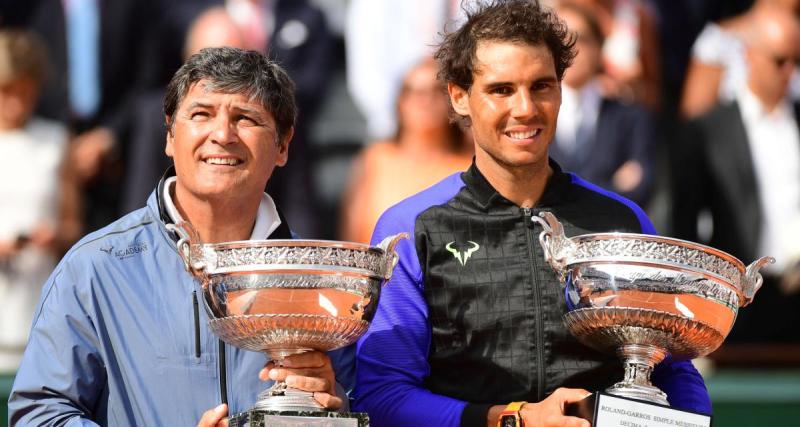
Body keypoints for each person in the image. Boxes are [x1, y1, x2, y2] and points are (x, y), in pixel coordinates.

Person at [352, 2, 711, 426]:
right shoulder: (411, 228)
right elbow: (383, 396)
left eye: (541, 86)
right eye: (501, 89)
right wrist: (514, 418)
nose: (525, 109)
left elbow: (673, 372)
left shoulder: (623, 221)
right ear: (459, 96)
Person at [9, 47, 349, 426]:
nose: (222, 134)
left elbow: (361, 405)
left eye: (246, 118)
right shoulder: (93, 268)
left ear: (283, 145)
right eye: (201, 114)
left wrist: (335, 405)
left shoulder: (321, 280)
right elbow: (39, 416)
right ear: (170, 135)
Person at [671, 6, 800, 343]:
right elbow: (683, 219)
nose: (788, 72)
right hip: (740, 304)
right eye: (779, 60)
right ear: (749, 55)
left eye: (796, 62)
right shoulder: (711, 129)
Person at [0, 30, 79, 373]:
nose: (16, 104)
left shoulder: (56, 141)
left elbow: (75, 226)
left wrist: (55, 235)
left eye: (26, 93)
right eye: (6, 92)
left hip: (38, 301)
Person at [340, 58, 472, 244]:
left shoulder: (470, 164)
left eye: (435, 91)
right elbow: (353, 238)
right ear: (400, 101)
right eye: (414, 92)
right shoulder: (375, 160)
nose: (424, 101)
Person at [550, 2, 656, 207]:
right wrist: (610, 185)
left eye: (579, 38)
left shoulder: (630, 116)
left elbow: (640, 188)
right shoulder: (533, 113)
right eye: (558, 40)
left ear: (599, 47)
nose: (568, 49)